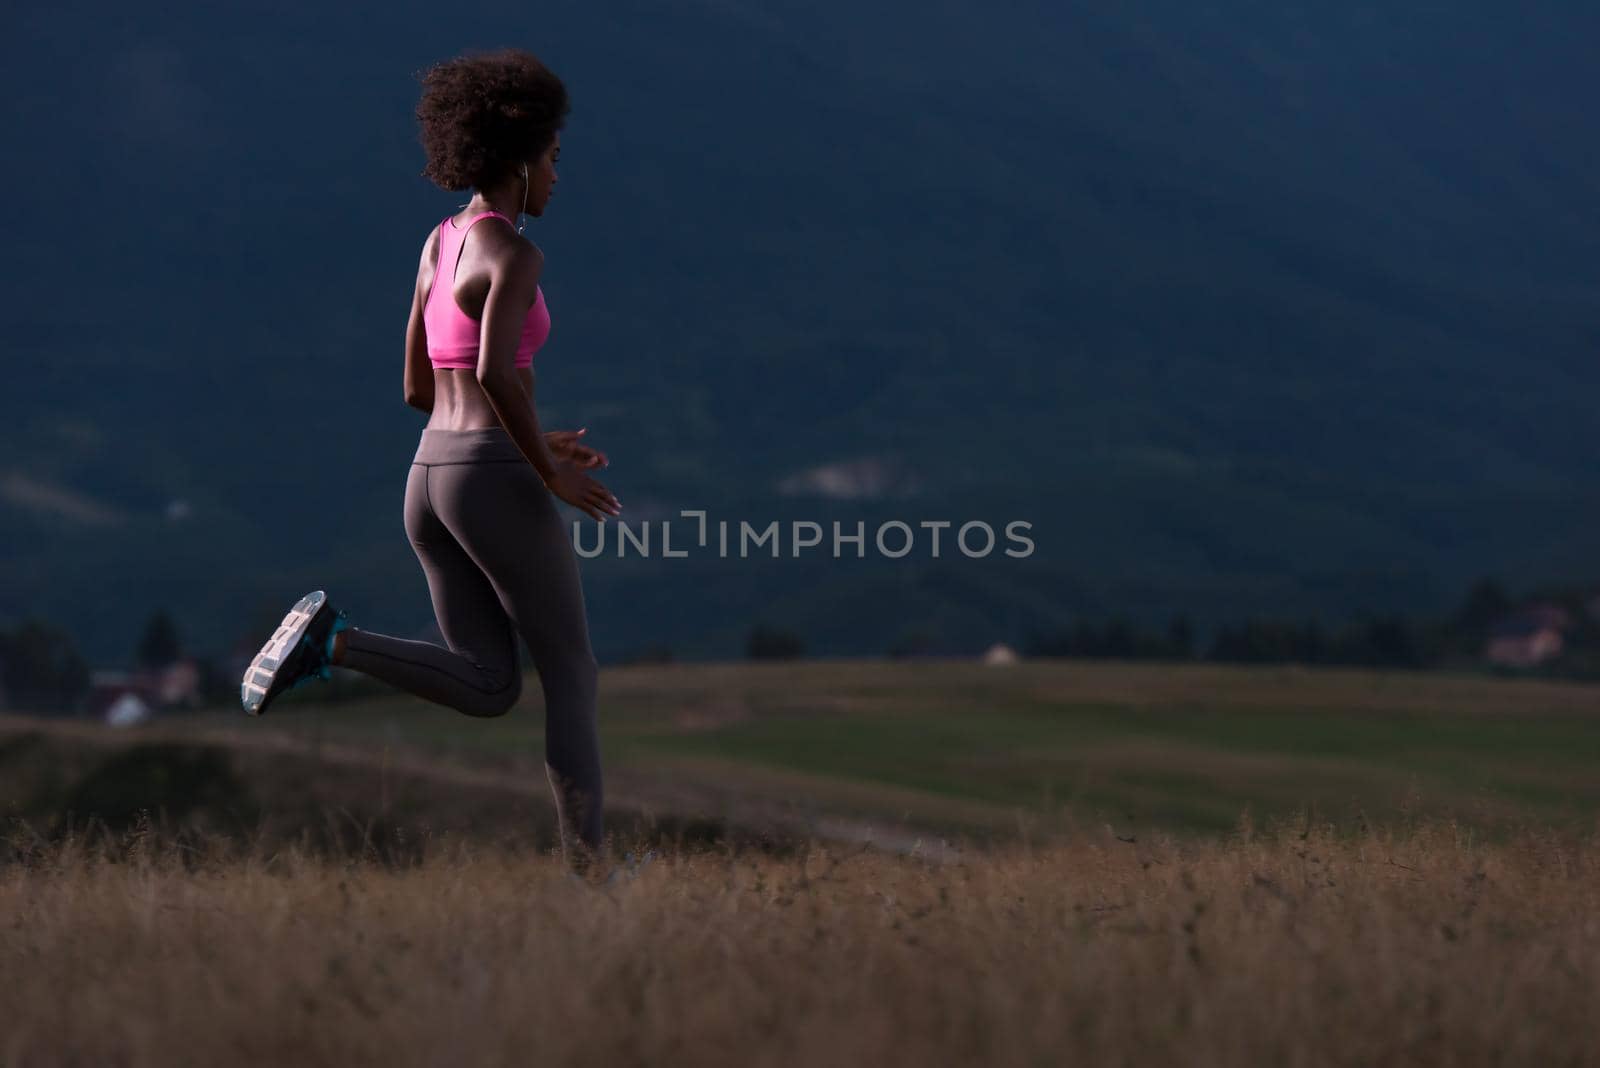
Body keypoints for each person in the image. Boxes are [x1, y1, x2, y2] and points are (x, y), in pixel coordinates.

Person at [239, 48, 620, 875]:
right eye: (553, 159)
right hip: (491, 478)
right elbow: (489, 373)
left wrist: (534, 439)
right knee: (572, 671)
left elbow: (421, 385)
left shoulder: (441, 241)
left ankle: (333, 642)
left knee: (490, 684)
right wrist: (547, 472)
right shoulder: (514, 255)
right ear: (521, 159)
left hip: (431, 478)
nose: (557, 176)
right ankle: (593, 876)